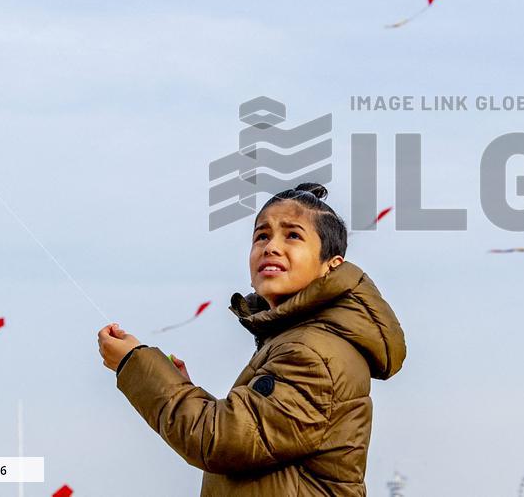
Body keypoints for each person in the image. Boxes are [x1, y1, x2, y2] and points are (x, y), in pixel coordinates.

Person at [97, 182, 406, 496]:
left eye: (293, 235)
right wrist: (180, 386)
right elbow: (250, 432)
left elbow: (222, 439)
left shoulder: (312, 353)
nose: (271, 246)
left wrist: (134, 365)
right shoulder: (299, 340)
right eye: (262, 235)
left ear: (331, 267)